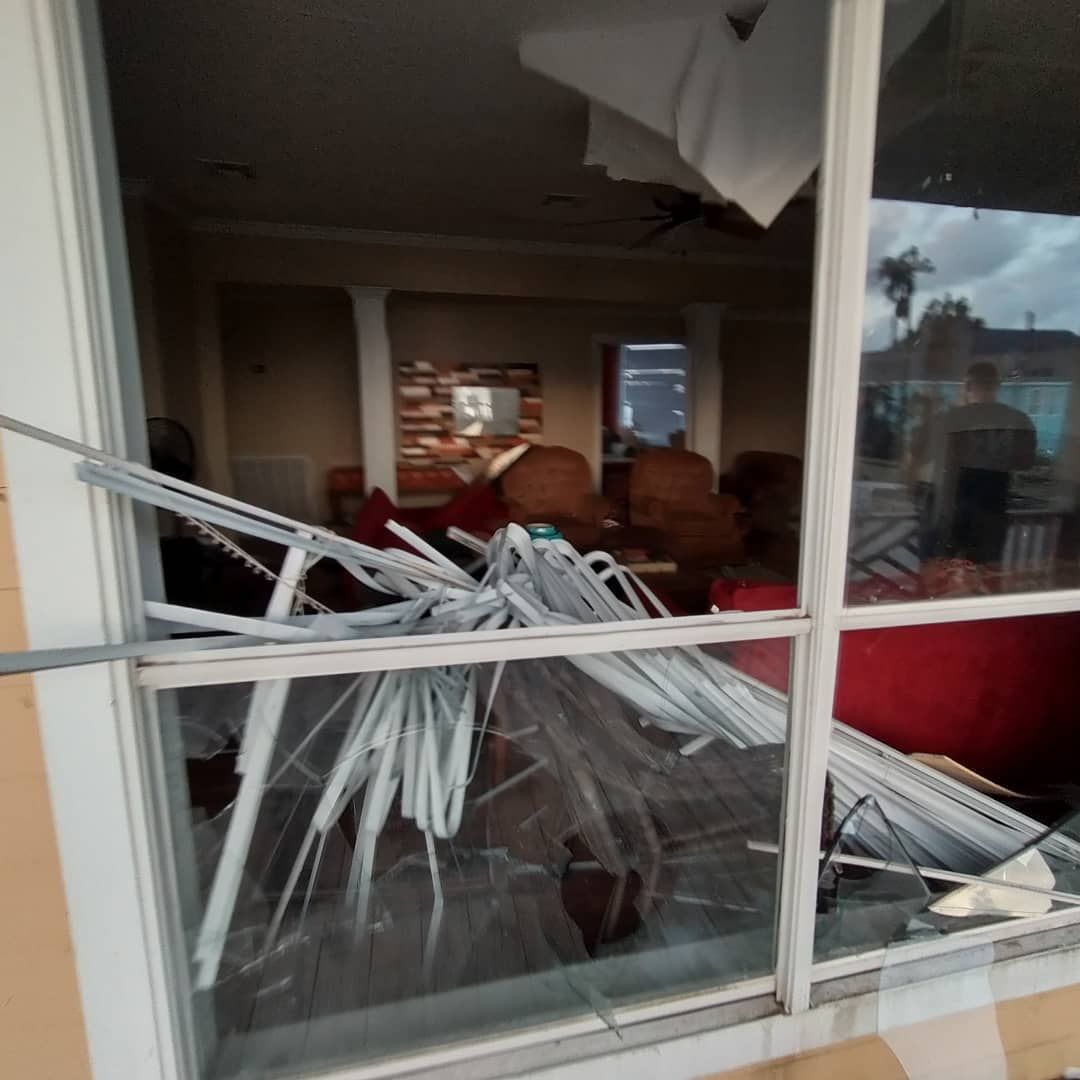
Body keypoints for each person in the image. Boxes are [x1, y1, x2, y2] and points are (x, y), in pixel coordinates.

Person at [919, 362, 1036, 567]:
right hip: (990, 514)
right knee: (984, 575)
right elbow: (1026, 463)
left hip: (949, 514)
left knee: (937, 575)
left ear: (967, 385)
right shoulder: (1019, 421)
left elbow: (921, 456)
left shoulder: (948, 419)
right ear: (997, 385)